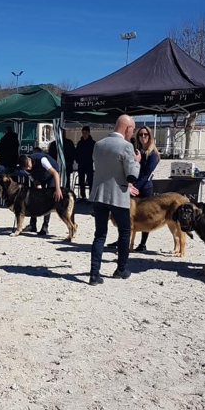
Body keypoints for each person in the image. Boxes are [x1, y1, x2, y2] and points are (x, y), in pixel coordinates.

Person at [88, 114, 141, 286]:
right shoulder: (126, 146)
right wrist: (136, 161)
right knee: (124, 232)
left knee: (100, 235)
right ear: (127, 128)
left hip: (99, 194)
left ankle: (94, 274)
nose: (132, 134)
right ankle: (121, 269)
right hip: (118, 195)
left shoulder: (98, 144)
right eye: (132, 130)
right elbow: (132, 175)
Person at [128, 126, 160, 251]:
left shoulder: (153, 155)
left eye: (145, 134)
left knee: (144, 216)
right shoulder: (138, 151)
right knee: (129, 216)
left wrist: (133, 187)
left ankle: (142, 243)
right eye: (140, 134)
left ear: (150, 136)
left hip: (145, 188)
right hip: (134, 186)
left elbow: (146, 174)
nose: (143, 137)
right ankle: (127, 239)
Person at [18, 151, 63, 236]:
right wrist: (37, 186)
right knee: (34, 198)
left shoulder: (42, 160)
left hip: (51, 175)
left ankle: (45, 226)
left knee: (49, 199)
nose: (28, 168)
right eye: (26, 168)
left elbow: (55, 173)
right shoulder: (26, 168)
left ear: (29, 159)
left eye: (28, 165)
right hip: (39, 177)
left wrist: (58, 189)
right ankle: (32, 224)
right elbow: (33, 179)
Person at [75, 126, 95, 203]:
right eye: (83, 133)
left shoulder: (93, 143)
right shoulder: (80, 143)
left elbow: (94, 154)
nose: (84, 134)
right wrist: (77, 160)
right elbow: (76, 152)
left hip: (89, 164)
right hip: (81, 164)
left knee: (90, 181)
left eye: (86, 133)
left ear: (89, 133)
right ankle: (83, 196)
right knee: (81, 181)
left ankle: (91, 197)